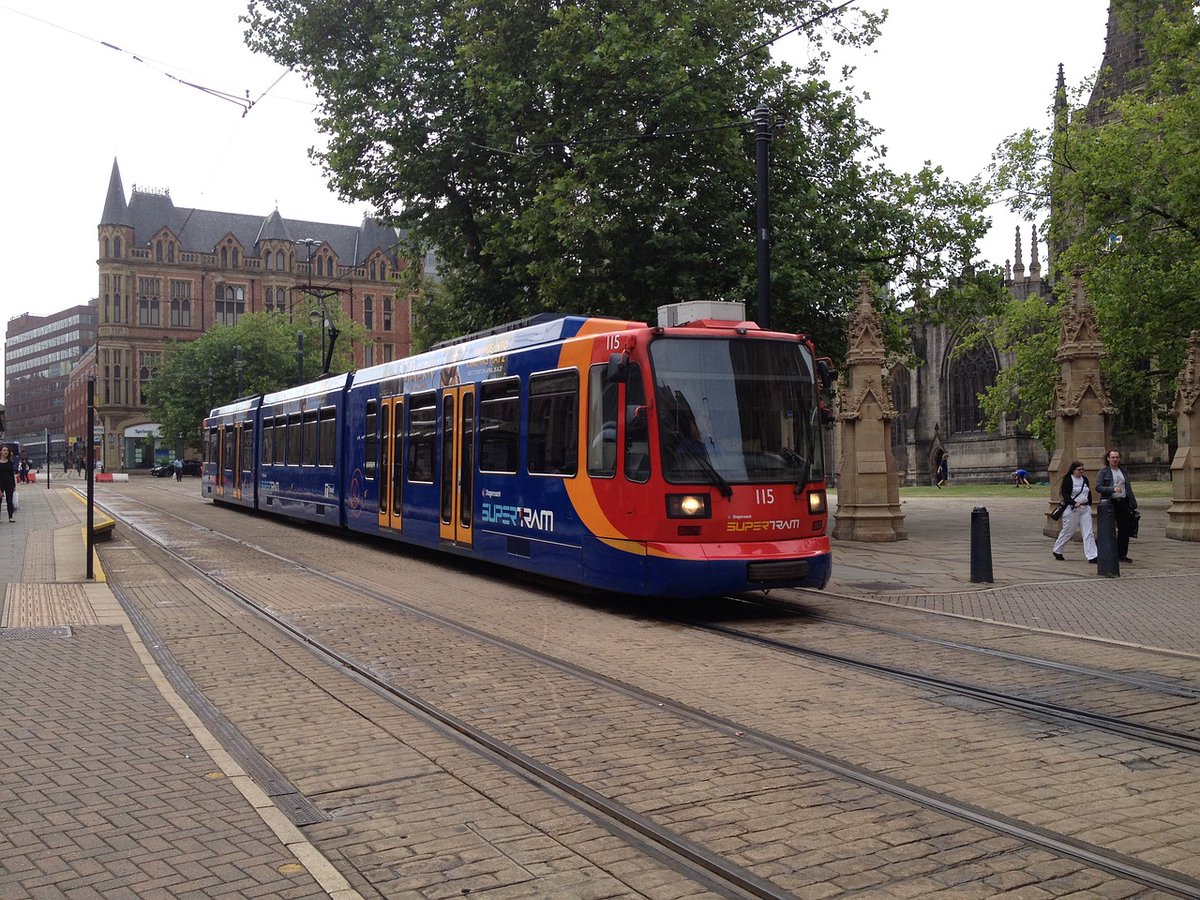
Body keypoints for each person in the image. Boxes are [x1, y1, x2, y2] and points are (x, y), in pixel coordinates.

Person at [1096, 448, 1138, 563]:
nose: (1115, 459)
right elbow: (1098, 487)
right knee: (1109, 529)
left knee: (1124, 529)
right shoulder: (1104, 472)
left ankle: (1122, 555)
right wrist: (1112, 489)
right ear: (1108, 459)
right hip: (1110, 503)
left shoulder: (1123, 471)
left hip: (1123, 502)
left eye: (1117, 457)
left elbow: (1128, 488)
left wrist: (1132, 503)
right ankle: (1107, 553)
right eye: (1113, 457)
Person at [1052, 461, 1097, 562]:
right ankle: (1057, 550)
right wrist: (1073, 503)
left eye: (1082, 469)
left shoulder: (1085, 479)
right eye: (1079, 469)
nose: (1081, 471)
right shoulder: (1068, 479)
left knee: (1088, 532)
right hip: (1072, 509)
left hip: (1085, 509)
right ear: (1073, 470)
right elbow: (1065, 494)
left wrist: (1089, 503)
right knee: (1068, 531)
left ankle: (1092, 555)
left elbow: (1088, 492)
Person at [0, 446, 17, 522]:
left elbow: (11, 474)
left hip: (9, 484)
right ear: (0, 452)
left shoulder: (9, 462)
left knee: (9, 500)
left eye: (7, 450)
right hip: (0, 484)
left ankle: (10, 517)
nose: (6, 452)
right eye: (4, 450)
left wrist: (13, 485)